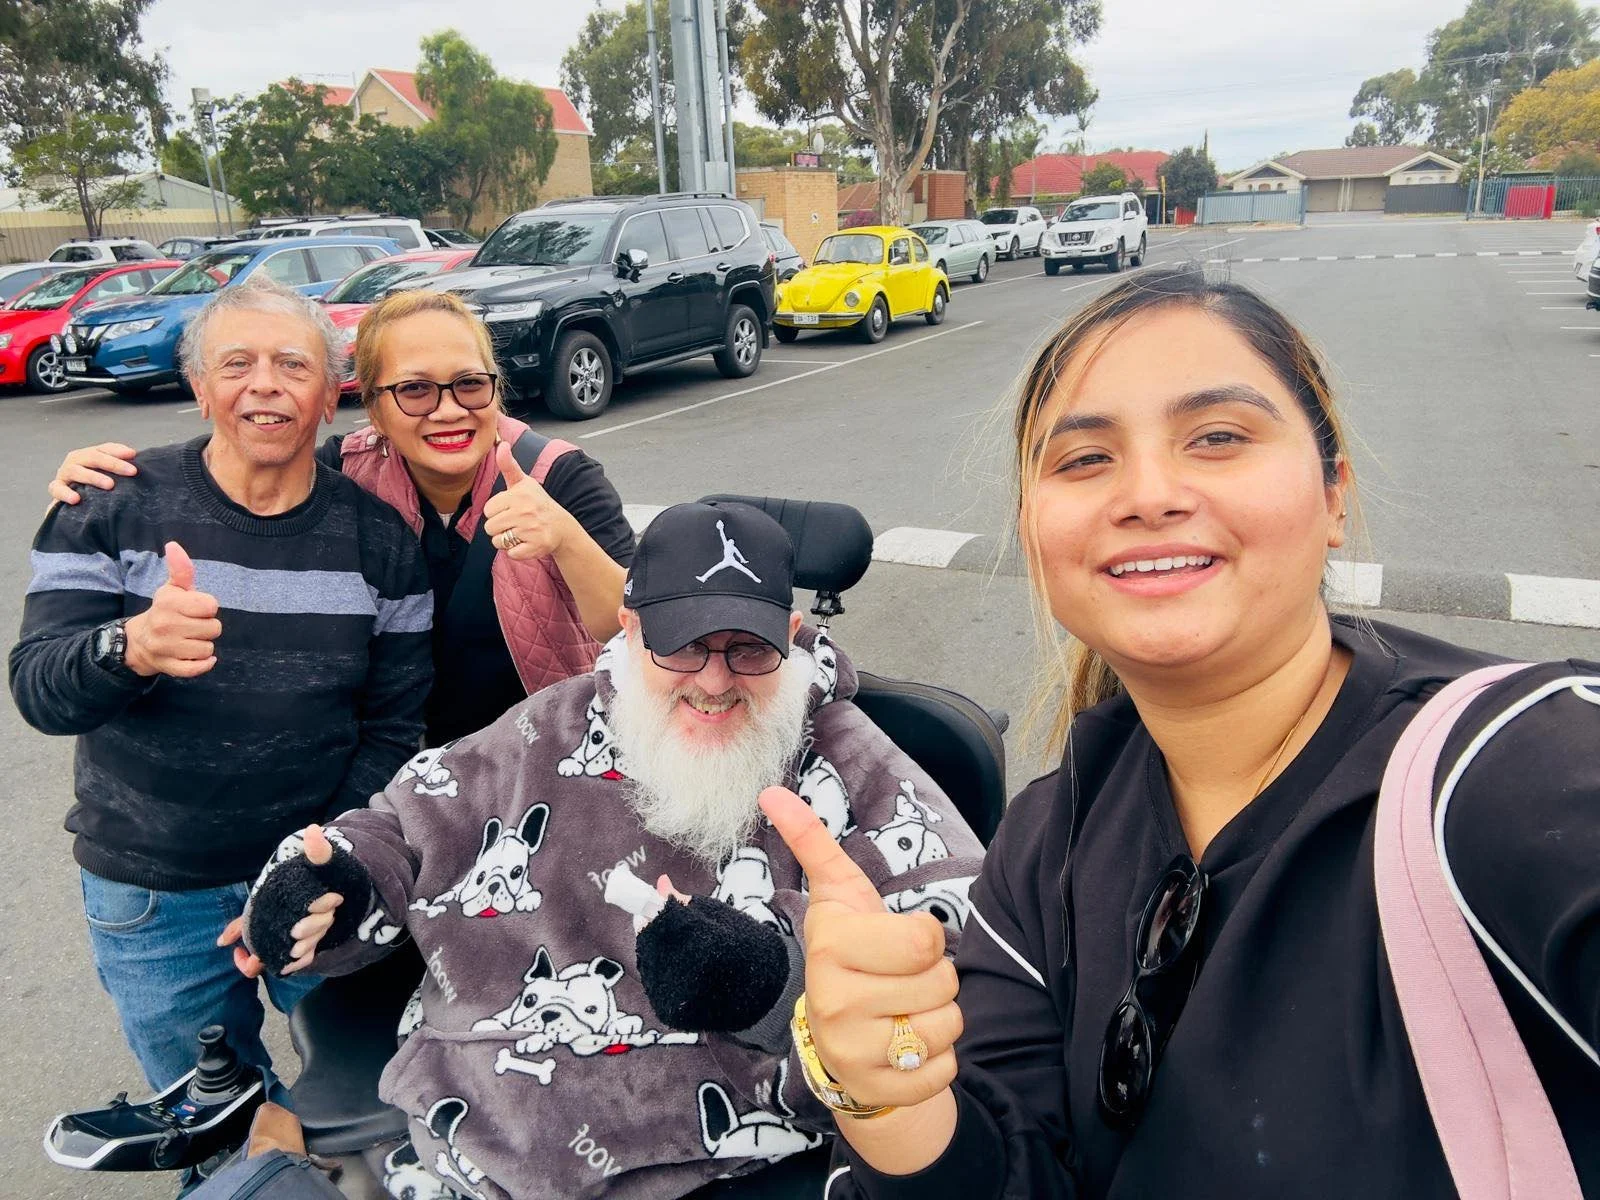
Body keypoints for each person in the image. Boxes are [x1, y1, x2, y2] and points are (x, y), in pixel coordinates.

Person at [762, 264, 1600, 1197]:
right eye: (1084, 459)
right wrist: (893, 1101)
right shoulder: (1049, 844)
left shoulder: (1519, 776)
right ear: (1037, 531)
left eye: (1217, 437)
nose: (1148, 494)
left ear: (1333, 494)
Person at [225, 501, 985, 1199]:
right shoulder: (544, 728)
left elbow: (957, 926)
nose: (715, 682)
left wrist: (774, 972)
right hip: (472, 1128)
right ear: (629, 628)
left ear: (789, 636)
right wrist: (338, 883)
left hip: (720, 1154)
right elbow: (404, 821)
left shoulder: (845, 754)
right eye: (682, 647)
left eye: (747, 649)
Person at [9, 275, 433, 1091]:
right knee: (215, 1124)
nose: (265, 383)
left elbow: (392, 729)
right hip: (157, 898)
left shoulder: (380, 543)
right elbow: (38, 690)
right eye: (236, 363)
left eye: (292, 365)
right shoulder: (110, 504)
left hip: (321, 883)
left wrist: (320, 862)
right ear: (200, 388)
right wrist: (128, 646)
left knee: (376, 1101)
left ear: (327, 395)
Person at [48, 289, 634, 745]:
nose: (448, 410)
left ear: (495, 389)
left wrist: (564, 537)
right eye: (415, 391)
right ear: (372, 406)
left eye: (469, 385)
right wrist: (117, 477)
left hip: (540, 758)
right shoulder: (345, 476)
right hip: (406, 771)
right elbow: (251, 452)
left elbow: (638, 628)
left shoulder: (562, 478)